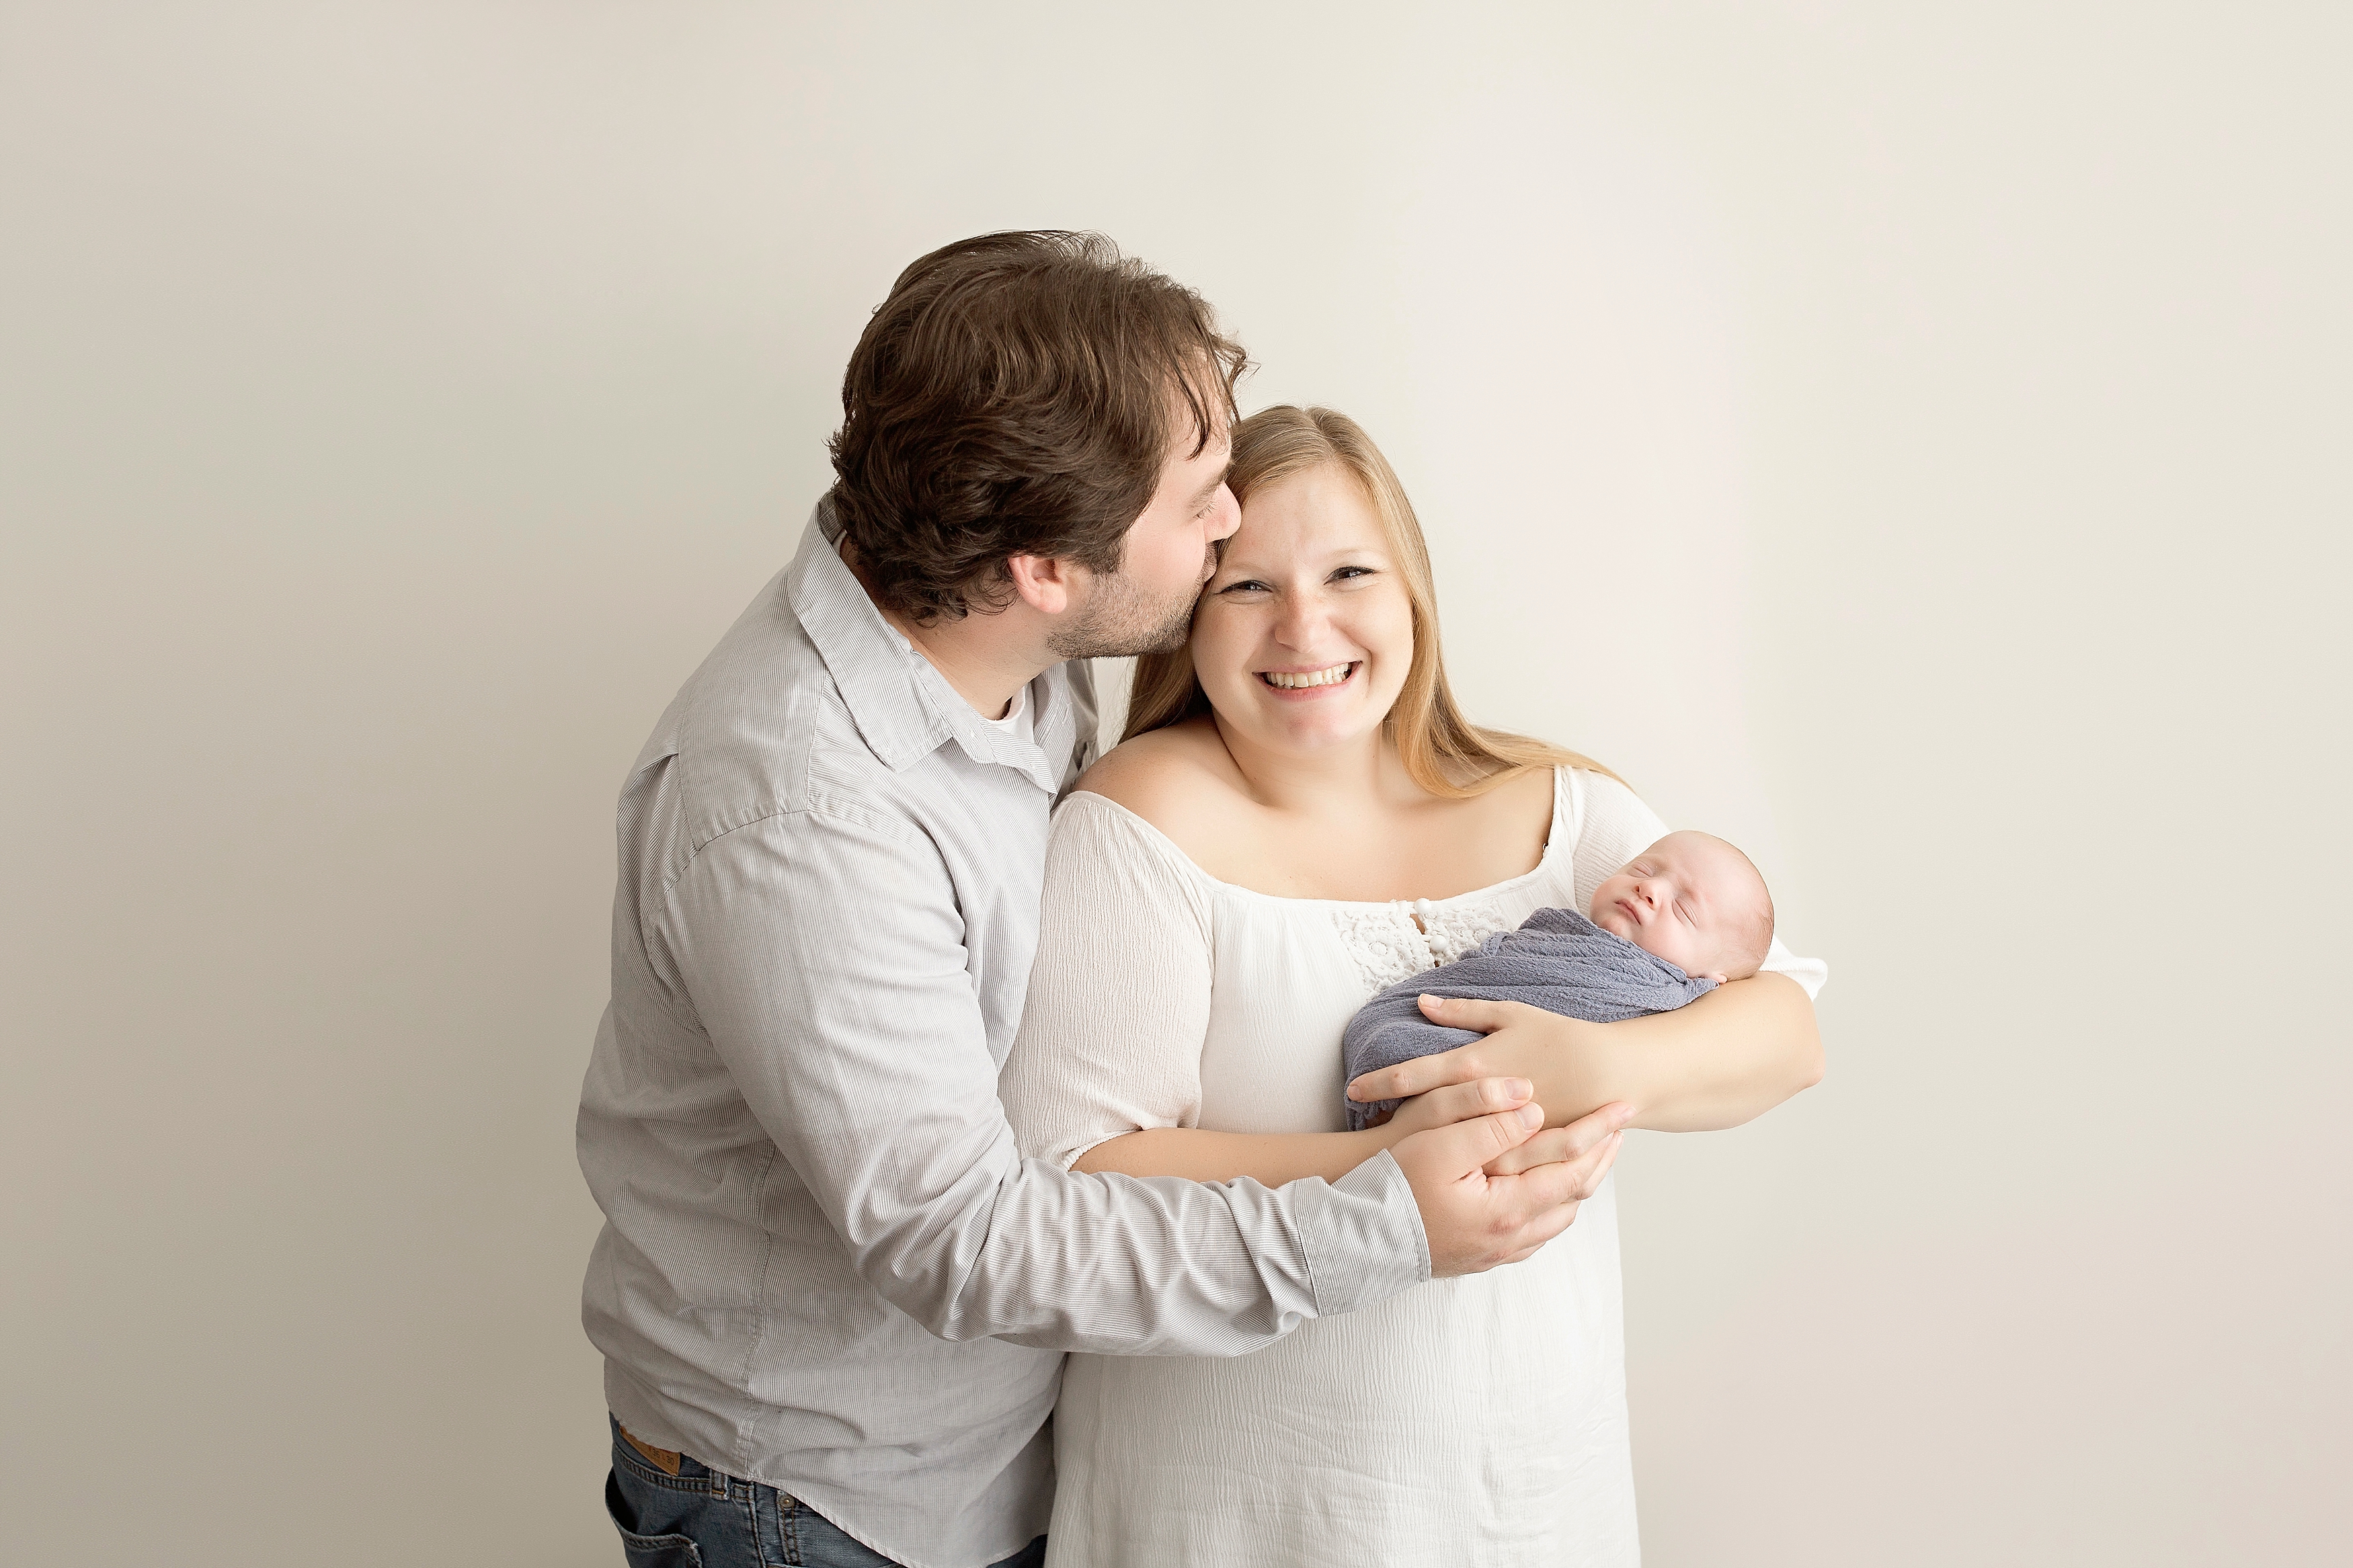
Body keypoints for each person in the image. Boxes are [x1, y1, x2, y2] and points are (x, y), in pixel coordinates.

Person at [574, 235, 1628, 1568]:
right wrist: (1384, 1212)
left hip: (1014, 1446)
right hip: (825, 1495)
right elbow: (962, 1237)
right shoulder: (799, 814)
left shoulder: (1010, 634)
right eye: (1199, 501)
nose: (1229, 518)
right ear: (1044, 567)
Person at [998, 405, 1827, 1565]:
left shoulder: (1562, 811)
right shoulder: (1134, 827)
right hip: (1238, 1510)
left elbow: (1786, 1028)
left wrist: (1600, 1066)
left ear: (1413, 594)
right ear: (1188, 616)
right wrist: (1388, 1178)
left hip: (1531, 1500)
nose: (1305, 625)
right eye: (1247, 587)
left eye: (1350, 571)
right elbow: (1064, 1170)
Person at [1343, 829, 1783, 1128]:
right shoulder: (1559, 934)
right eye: (1643, 871)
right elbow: (1500, 970)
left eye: (1685, 910)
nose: (1650, 890)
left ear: (1711, 980)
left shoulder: (1664, 995)